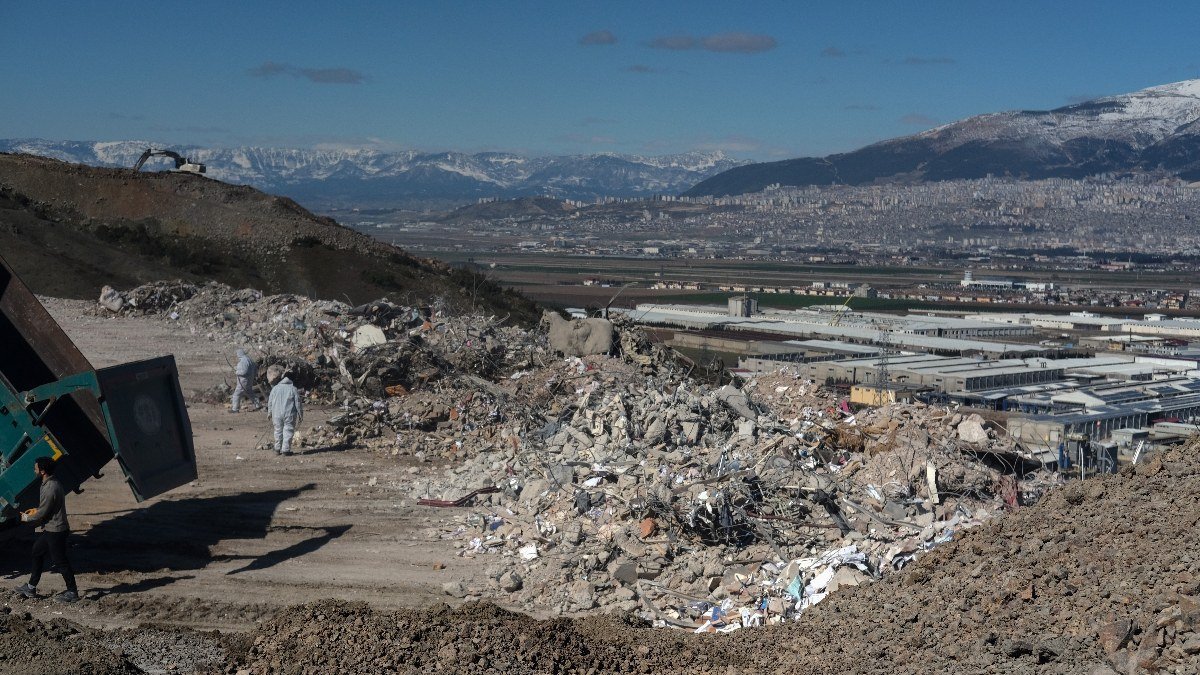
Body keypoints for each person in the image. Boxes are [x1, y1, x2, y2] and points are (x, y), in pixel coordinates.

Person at [13, 457, 78, 603]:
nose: (34, 470)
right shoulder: (49, 483)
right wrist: (38, 509)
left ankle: (72, 592)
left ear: (42, 471)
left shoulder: (50, 488)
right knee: (36, 551)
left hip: (56, 530)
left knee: (60, 561)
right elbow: (46, 508)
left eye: (35, 468)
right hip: (51, 528)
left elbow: (43, 512)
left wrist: (27, 518)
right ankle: (31, 587)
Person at [267, 371, 304, 456]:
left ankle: (277, 449)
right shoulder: (293, 389)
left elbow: (270, 402)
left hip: (276, 414)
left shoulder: (275, 388)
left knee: (278, 431)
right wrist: (300, 415)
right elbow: (298, 403)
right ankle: (286, 450)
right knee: (288, 431)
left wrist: (269, 413)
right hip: (289, 414)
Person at [231, 348, 261, 413]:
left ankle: (235, 409)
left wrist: (236, 372)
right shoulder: (250, 360)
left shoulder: (243, 362)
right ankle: (258, 405)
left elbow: (244, 372)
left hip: (243, 381)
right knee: (250, 393)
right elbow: (256, 370)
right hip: (250, 380)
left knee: (237, 394)